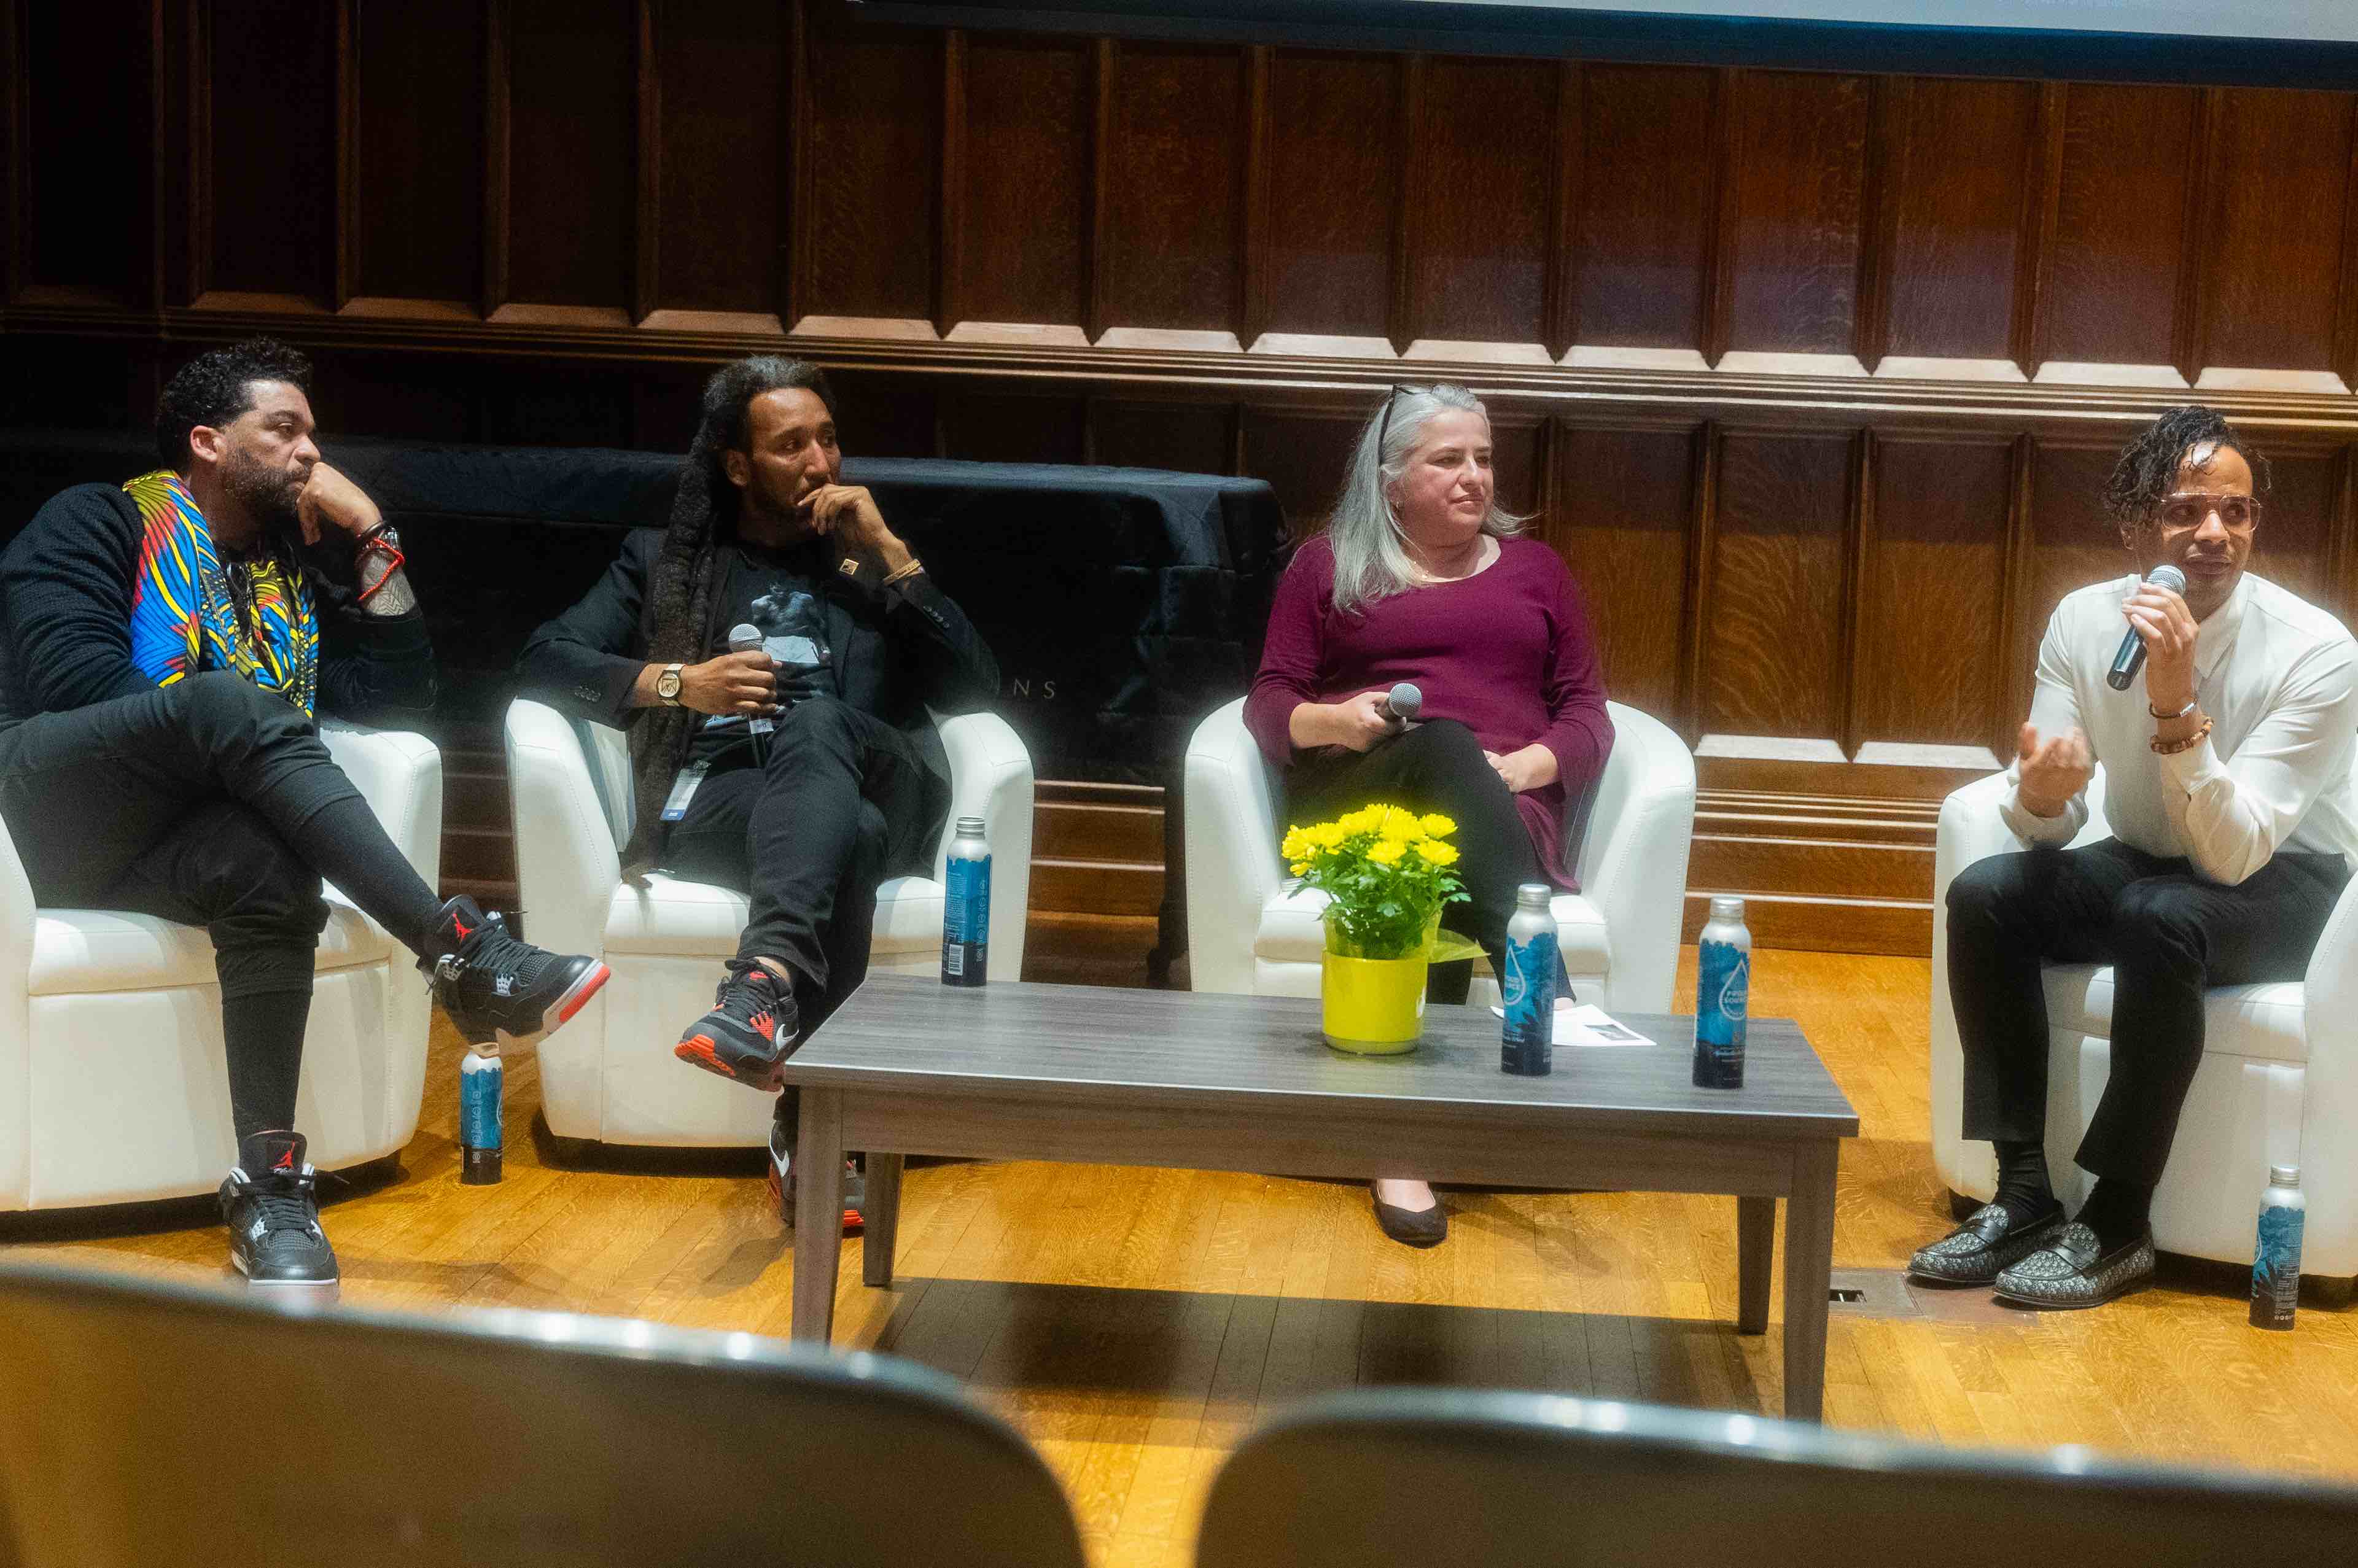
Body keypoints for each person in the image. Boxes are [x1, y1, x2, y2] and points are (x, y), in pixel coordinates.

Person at [0, 339, 609, 1292]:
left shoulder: (281, 574)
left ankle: (273, 1188)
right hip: (40, 810)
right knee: (232, 709)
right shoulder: (97, 521)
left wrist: (375, 540)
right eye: (283, 431)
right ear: (206, 441)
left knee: (267, 870)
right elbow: (73, 686)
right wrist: (235, 736)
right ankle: (461, 949)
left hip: (159, 837)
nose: (310, 457)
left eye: (314, 438)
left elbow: (401, 701)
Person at [516, 356, 998, 1224]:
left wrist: (893, 555)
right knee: (840, 831)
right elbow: (545, 658)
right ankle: (809, 1127)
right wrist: (677, 684)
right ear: (737, 465)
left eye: (827, 439)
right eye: (791, 445)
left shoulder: (864, 564)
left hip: (872, 768)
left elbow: (977, 688)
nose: (821, 462)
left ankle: (760, 986)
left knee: (816, 729)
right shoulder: (665, 563)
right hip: (727, 799)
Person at [1912, 405, 2357, 1308]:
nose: (2214, 534)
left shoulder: (2317, 651)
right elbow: (2055, 800)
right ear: (2136, 528)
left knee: (2159, 916)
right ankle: (2026, 1192)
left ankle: (2119, 1221)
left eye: (2236, 512)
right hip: (2149, 856)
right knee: (1987, 893)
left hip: (2289, 882)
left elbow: (2234, 856)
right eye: (2187, 510)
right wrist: (2040, 795)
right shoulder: (2084, 623)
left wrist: (2174, 707)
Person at [1245, 383, 1613, 1247]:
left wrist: (1519, 766)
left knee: (1451, 824)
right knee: (1442, 752)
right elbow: (1269, 704)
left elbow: (1588, 715)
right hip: (1365, 797)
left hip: (1502, 811)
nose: (1474, 476)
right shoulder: (1327, 565)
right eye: (1447, 459)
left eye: (1483, 457)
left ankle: (1403, 1140)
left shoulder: (1539, 572)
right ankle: (1550, 1017)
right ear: (1391, 479)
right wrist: (1341, 720)